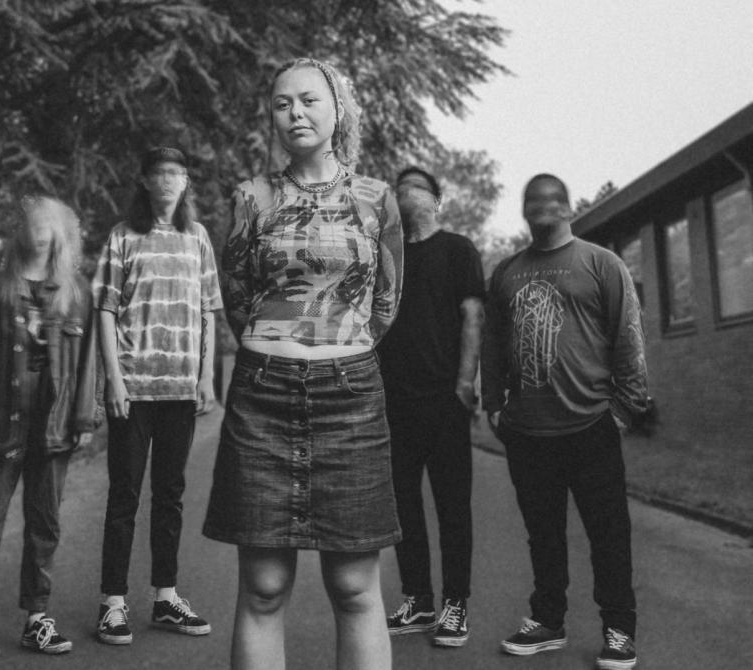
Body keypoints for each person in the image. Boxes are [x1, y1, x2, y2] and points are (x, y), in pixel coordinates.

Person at [202, 58, 404, 670]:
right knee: (263, 588)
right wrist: (280, 343)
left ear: (338, 109)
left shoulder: (377, 199)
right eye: (283, 103)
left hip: (352, 399)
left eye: (309, 100)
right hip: (262, 398)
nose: (295, 113)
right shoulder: (251, 197)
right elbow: (237, 297)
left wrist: (334, 347)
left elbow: (386, 303)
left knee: (355, 588)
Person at [482, 174, 648, 670]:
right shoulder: (507, 272)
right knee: (543, 534)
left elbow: (628, 336)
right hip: (528, 431)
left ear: (568, 207)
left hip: (591, 425)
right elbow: (493, 344)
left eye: (553, 199)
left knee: (608, 535)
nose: (543, 207)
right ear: (524, 209)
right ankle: (548, 620)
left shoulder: (601, 263)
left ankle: (619, 630)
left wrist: (623, 410)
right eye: (533, 200)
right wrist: (494, 404)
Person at [0, 194, 98, 664]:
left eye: (47, 223)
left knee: (45, 525)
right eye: (31, 222)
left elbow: (87, 362)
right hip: (2, 427)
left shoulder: (76, 292)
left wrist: (84, 419)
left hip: (53, 430)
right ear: (18, 231)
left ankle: (37, 619)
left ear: (60, 233)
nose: (39, 230)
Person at [93, 146, 223, 645]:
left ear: (185, 182)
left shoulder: (197, 237)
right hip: (134, 386)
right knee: (124, 495)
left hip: (180, 390)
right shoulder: (123, 236)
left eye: (176, 173)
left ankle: (166, 597)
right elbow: (106, 309)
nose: (167, 180)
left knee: (170, 495)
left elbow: (208, 310)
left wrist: (206, 378)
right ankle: (112, 603)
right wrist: (113, 379)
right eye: (159, 173)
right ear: (145, 182)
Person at [377, 166, 485, 647]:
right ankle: (418, 599)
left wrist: (465, 383)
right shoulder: (388, 256)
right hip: (396, 404)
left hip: (444, 400)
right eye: (398, 188)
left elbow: (473, 316)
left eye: (414, 187)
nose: (403, 192)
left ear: (436, 199)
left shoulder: (458, 250)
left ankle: (455, 603)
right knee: (403, 507)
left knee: (452, 506)